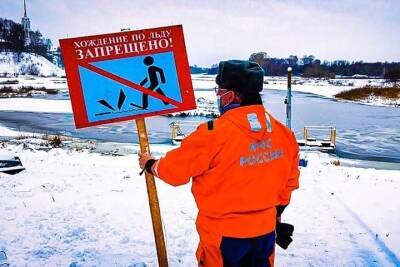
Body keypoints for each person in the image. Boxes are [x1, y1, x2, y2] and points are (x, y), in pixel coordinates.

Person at [138, 60, 300, 266]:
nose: (217, 96)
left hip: (224, 236)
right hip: (265, 232)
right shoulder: (284, 134)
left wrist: (150, 164)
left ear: (230, 95)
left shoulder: (213, 134)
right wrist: (276, 215)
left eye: (218, 91)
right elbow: (289, 182)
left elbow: (173, 172)